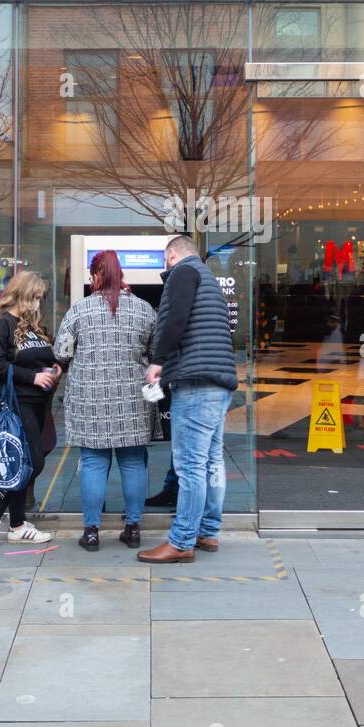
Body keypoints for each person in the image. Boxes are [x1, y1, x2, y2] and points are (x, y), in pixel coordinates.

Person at [138, 236, 238, 564]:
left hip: (196, 383)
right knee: (210, 460)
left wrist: (158, 360)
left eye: (164, 259)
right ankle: (207, 531)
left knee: (190, 464)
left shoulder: (183, 272)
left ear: (171, 254)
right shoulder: (207, 278)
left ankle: (181, 541)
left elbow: (175, 319)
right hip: (218, 381)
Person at [54, 249, 159, 550]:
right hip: (132, 400)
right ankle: (133, 529)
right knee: (132, 462)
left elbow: (61, 352)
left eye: (92, 275)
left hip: (91, 401)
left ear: (98, 275)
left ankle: (91, 532)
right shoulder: (143, 309)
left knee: (93, 463)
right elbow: (156, 351)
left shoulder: (80, 310)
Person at [0, 271, 61, 548]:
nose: (37, 303)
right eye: (34, 297)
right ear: (21, 294)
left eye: (39, 298)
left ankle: (18, 525)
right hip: (15, 402)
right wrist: (33, 377)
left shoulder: (29, 325)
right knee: (31, 462)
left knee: (24, 461)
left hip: (36, 403)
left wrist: (52, 368)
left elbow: (39, 356)